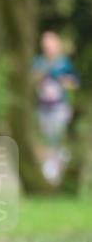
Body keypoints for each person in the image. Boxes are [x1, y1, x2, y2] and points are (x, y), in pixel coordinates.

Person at [32, 30, 79, 184]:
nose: (48, 47)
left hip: (59, 106)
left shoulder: (64, 63)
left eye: (50, 44)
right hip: (42, 106)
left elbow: (74, 84)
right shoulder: (38, 62)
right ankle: (50, 167)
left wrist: (63, 81)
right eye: (45, 45)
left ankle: (54, 169)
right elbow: (31, 80)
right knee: (45, 136)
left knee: (56, 136)